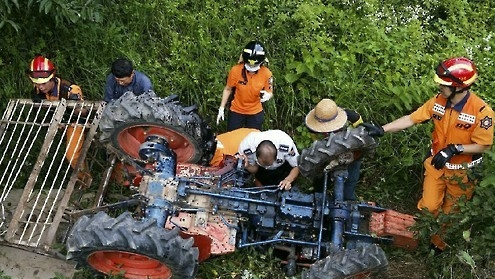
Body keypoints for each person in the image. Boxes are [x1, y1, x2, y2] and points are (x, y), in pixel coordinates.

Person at [374, 57, 494, 252]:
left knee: (451, 213)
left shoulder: (481, 112)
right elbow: (411, 119)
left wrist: (455, 149)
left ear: (459, 87)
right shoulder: (438, 101)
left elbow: (484, 145)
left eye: (444, 84)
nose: (439, 86)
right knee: (428, 207)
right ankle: (420, 236)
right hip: (437, 166)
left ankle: (438, 247)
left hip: (462, 173)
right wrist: (381, 129)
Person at [27, 55, 90, 180]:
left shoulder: (71, 90)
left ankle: (85, 179)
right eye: (37, 83)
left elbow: (84, 113)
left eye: (44, 83)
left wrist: (75, 106)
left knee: (72, 155)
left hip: (74, 122)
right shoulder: (38, 90)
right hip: (56, 121)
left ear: (52, 78)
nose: (40, 87)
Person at [304, 98, 365, 200]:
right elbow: (318, 145)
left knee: (349, 187)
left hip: (352, 153)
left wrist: (350, 158)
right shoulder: (312, 128)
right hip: (329, 154)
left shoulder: (353, 119)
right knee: (320, 183)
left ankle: (348, 201)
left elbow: (362, 142)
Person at [216, 41, 274, 131]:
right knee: (233, 137)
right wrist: (221, 107)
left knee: (253, 139)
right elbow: (228, 89)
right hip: (237, 110)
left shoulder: (266, 73)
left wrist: (268, 95)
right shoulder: (236, 70)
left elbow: (270, 91)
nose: (251, 70)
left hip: (255, 111)